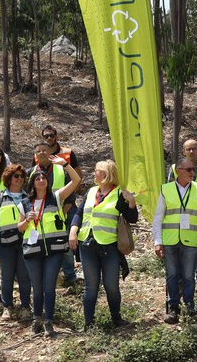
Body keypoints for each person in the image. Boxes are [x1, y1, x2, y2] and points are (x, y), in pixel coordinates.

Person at [69, 160, 136, 329]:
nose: (93, 173)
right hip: (87, 244)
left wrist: (132, 202)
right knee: (90, 286)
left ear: (105, 174)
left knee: (111, 286)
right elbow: (79, 212)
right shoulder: (91, 192)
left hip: (109, 246)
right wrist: (73, 230)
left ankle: (117, 319)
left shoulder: (119, 194)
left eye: (96, 170)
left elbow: (132, 218)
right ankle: (89, 323)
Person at [20, 155, 82, 336]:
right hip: (32, 251)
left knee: (49, 286)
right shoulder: (24, 203)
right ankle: (36, 320)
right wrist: (27, 221)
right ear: (31, 184)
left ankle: (49, 322)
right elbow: (20, 227)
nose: (41, 180)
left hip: (54, 251)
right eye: (37, 178)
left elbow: (76, 180)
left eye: (43, 178)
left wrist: (65, 164)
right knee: (37, 287)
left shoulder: (55, 197)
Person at [154, 157, 197, 323]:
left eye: (193, 169)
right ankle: (173, 308)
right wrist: (157, 241)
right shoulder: (166, 189)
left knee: (188, 276)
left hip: (191, 242)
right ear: (178, 171)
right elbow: (158, 218)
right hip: (170, 240)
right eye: (189, 170)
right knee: (172, 276)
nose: (192, 172)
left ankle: (190, 307)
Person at [28, 141, 77, 287]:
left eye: (45, 150)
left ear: (50, 153)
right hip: (38, 220)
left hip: (59, 216)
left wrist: (60, 215)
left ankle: (70, 276)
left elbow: (70, 199)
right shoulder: (29, 172)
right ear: (35, 155)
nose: (42, 153)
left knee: (65, 247)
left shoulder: (62, 171)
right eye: (39, 151)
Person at [0, 164, 31, 320]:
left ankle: (26, 307)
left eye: (22, 176)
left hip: (25, 242)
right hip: (4, 243)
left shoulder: (29, 198)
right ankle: (7, 306)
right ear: (9, 178)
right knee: (7, 276)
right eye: (16, 176)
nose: (19, 179)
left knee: (24, 276)